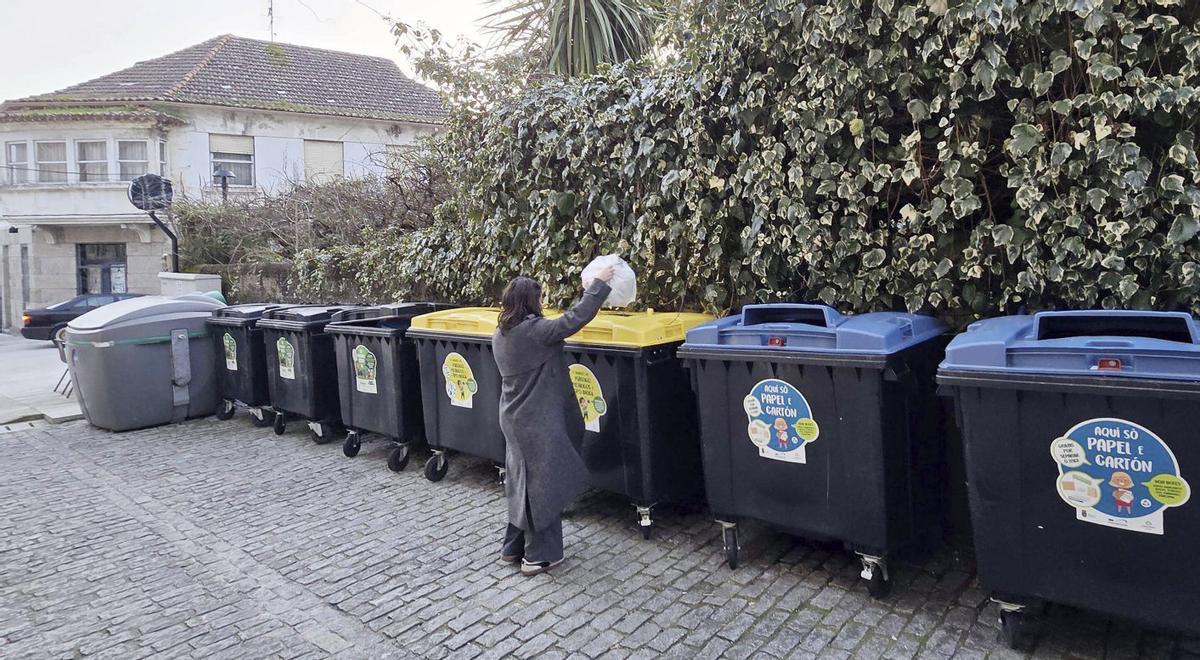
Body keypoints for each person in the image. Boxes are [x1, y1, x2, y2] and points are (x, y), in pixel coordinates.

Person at [491, 267, 614, 576]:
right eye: (539, 297)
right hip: (535, 421)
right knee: (542, 486)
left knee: (521, 482)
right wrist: (599, 285)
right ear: (531, 301)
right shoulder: (534, 331)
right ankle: (538, 555)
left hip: (514, 418)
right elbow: (573, 319)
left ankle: (512, 547)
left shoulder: (502, 332)